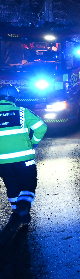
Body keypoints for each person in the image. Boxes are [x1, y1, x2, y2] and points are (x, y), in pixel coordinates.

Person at [0, 85, 47, 226]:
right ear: (14, 98)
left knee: (12, 186)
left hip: (2, 162)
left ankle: (20, 215)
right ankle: (24, 206)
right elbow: (42, 127)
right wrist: (34, 142)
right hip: (24, 160)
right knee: (29, 184)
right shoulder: (22, 112)